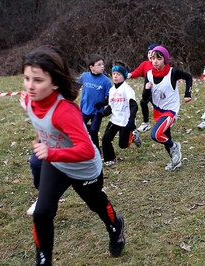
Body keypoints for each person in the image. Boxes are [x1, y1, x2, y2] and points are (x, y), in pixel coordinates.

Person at [21, 45, 125, 265]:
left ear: (55, 83)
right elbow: (41, 122)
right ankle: (43, 260)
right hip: (57, 163)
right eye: (27, 78)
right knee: (42, 213)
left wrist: (50, 151)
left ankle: (115, 226)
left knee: (97, 205)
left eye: (38, 80)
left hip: (84, 168)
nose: (30, 86)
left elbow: (87, 150)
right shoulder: (28, 99)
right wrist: (47, 148)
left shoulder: (65, 111)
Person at [143, 46, 192, 171]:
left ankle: (175, 146)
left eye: (158, 58)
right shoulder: (148, 74)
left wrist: (187, 94)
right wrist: (146, 89)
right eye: (153, 58)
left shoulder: (172, 72)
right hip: (158, 111)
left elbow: (188, 77)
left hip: (170, 111)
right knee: (165, 137)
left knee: (156, 135)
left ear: (165, 59)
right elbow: (145, 97)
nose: (155, 61)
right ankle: (175, 161)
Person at [101, 65, 142, 166]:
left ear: (124, 76)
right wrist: (101, 114)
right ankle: (110, 159)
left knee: (123, 145)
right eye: (114, 74)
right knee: (106, 138)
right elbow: (111, 107)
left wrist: (131, 120)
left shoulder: (127, 89)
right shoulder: (111, 90)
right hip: (115, 119)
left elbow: (134, 106)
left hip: (126, 121)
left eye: (118, 74)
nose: (115, 76)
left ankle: (133, 136)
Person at [78, 54, 112, 153]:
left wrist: (102, 103)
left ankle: (96, 150)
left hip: (97, 111)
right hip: (85, 109)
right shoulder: (84, 77)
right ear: (91, 67)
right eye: (99, 64)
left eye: (103, 64)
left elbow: (110, 97)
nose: (102, 66)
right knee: (79, 127)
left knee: (93, 132)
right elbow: (76, 86)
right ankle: (80, 146)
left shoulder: (106, 81)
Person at [127, 43, 158, 133]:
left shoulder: (160, 64)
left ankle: (164, 120)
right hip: (148, 90)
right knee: (143, 102)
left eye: (153, 53)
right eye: (149, 53)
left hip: (158, 90)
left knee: (158, 106)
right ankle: (146, 123)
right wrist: (130, 74)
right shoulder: (145, 64)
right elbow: (137, 72)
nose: (150, 55)